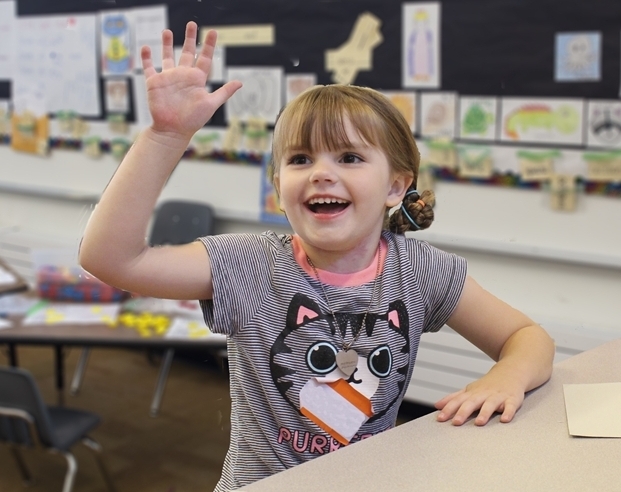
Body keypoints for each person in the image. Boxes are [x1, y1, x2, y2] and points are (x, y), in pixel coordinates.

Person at [79, 21, 555, 492]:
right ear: (278, 185)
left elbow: (526, 337)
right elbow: (110, 259)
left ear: (396, 185)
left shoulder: (421, 270)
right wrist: (165, 138)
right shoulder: (246, 265)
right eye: (300, 159)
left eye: (349, 158)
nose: (321, 173)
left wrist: (507, 376)